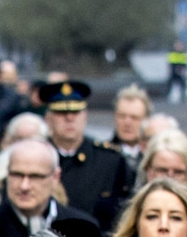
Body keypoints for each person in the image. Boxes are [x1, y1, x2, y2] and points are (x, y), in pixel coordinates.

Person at [35, 80, 130, 223]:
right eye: (61, 112)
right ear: (48, 118)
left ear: (85, 116)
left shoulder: (109, 160)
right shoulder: (35, 156)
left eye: (76, 112)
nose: (69, 118)